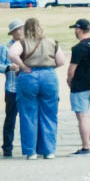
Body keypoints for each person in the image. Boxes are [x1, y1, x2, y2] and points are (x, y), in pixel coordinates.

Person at [8, 17, 66, 159]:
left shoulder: (22, 42)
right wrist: (49, 68)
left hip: (28, 77)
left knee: (28, 114)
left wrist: (23, 66)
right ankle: (49, 151)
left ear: (26, 29)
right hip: (49, 77)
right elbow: (61, 61)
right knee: (49, 114)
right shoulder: (52, 42)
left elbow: (12, 54)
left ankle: (31, 152)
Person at [67, 19, 90, 156]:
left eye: (76, 29)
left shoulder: (78, 48)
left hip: (80, 86)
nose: (75, 32)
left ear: (79, 30)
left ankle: (85, 146)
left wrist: (70, 82)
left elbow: (71, 71)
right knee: (85, 116)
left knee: (81, 117)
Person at [3, 20, 20, 157]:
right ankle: (7, 147)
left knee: (29, 118)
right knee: (10, 119)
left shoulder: (28, 45)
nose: (22, 31)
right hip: (12, 88)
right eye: (19, 29)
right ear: (13, 32)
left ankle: (30, 146)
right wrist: (9, 67)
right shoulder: (5, 47)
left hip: (27, 88)